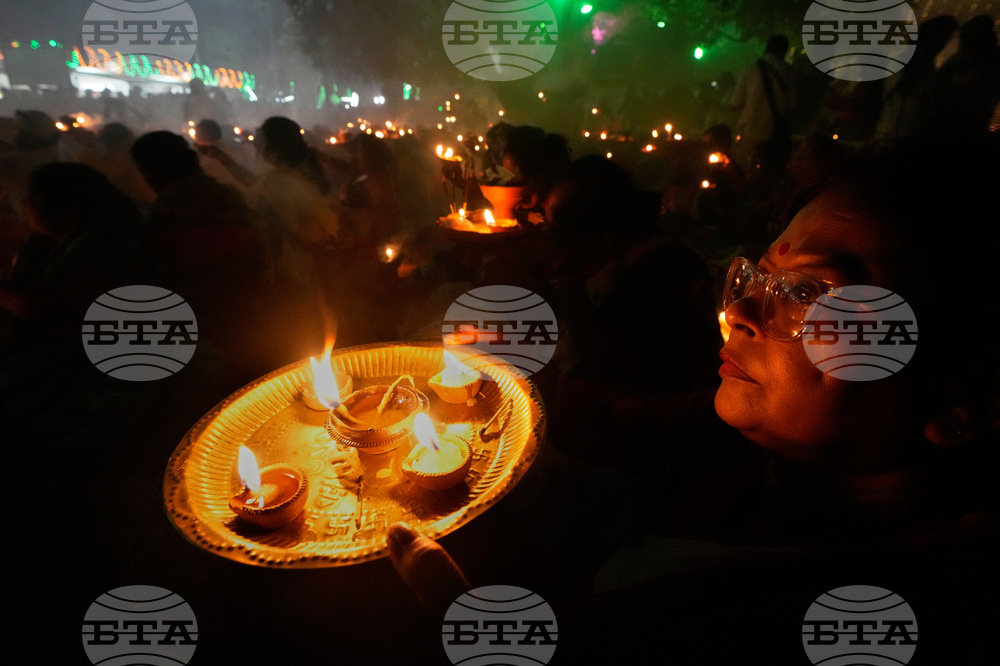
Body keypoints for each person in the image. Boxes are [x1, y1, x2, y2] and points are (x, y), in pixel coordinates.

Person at [386, 132, 1000, 661]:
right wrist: (495, 373)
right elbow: (623, 424)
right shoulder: (762, 446)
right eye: (756, 277)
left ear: (960, 405)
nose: (738, 311)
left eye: (811, 294)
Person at [730, 35, 796, 172]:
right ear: (783, 50)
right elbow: (792, 104)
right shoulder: (788, 71)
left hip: (750, 130)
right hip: (774, 133)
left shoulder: (749, 69)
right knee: (769, 172)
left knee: (745, 169)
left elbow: (735, 103)